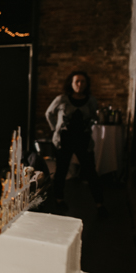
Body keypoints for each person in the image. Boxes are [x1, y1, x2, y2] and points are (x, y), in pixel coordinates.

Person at [45, 70, 105, 216]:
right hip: (64, 139)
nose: (79, 84)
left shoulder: (91, 100)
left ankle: (100, 204)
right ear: (71, 83)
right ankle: (59, 200)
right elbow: (48, 113)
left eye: (82, 81)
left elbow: (94, 117)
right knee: (61, 171)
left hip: (83, 139)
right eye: (76, 81)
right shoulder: (62, 99)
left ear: (86, 83)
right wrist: (55, 130)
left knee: (90, 172)